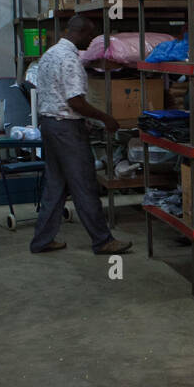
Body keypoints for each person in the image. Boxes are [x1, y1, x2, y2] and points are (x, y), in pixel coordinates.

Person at [28, 15, 132, 255]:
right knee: (84, 184)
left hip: (50, 125)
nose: (90, 40)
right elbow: (75, 101)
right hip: (66, 129)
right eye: (89, 36)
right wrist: (105, 118)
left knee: (55, 185)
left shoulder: (49, 55)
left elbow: (51, 93)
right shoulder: (70, 60)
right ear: (81, 33)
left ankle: (41, 240)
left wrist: (81, 121)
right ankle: (102, 240)